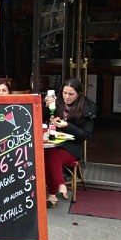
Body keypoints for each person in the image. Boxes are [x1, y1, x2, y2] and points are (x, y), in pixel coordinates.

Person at [43, 78, 96, 208]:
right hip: (53, 142)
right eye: (64, 93)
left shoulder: (87, 108)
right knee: (48, 153)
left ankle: (53, 193)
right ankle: (59, 187)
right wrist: (46, 106)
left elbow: (86, 135)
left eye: (71, 94)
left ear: (78, 94)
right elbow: (43, 119)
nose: (66, 97)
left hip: (71, 147)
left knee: (47, 158)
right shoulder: (57, 103)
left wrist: (67, 126)